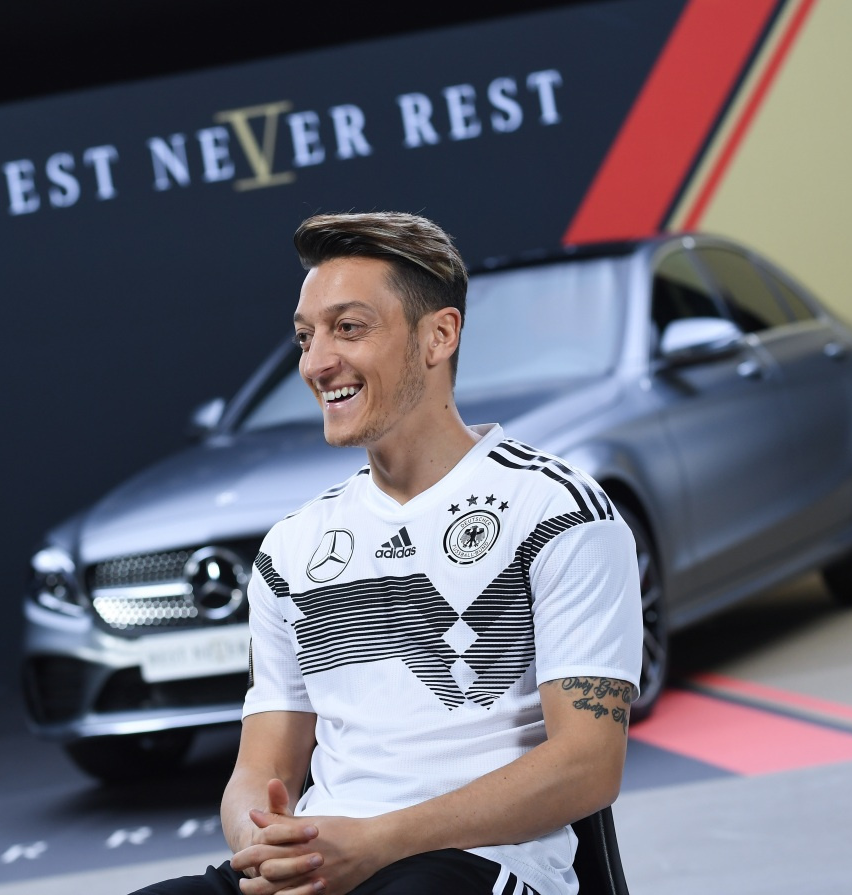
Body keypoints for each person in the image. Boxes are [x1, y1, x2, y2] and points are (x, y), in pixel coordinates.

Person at [131, 212, 641, 895]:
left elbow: (588, 765)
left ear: (439, 336)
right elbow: (260, 768)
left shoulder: (557, 510)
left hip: (480, 862)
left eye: (348, 328)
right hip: (328, 862)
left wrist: (374, 843)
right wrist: (268, 842)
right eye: (306, 336)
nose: (315, 363)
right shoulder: (291, 548)